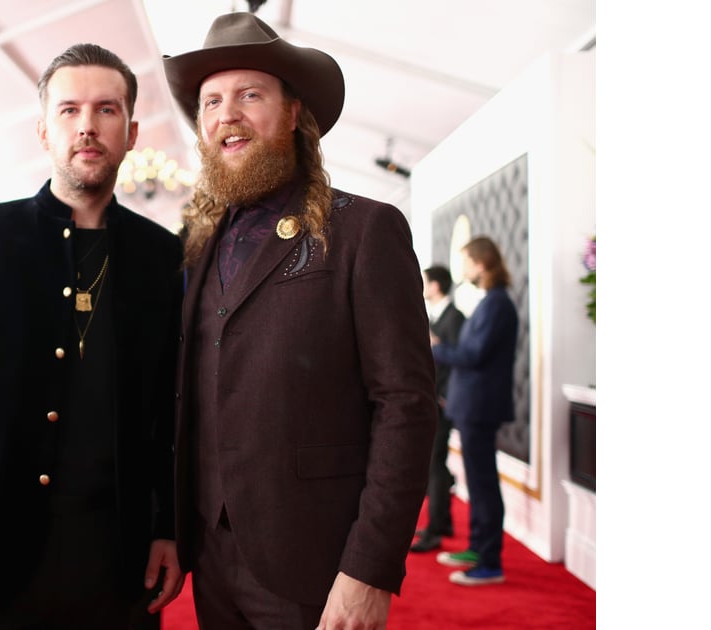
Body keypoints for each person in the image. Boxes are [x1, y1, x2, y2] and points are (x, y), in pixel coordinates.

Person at [162, 12, 438, 629]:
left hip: (317, 562)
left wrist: (369, 569)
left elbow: (406, 404)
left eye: (249, 95)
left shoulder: (365, 229)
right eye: (211, 102)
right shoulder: (195, 246)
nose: (227, 114)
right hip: (210, 555)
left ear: (292, 114)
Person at [0, 43, 184, 629]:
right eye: (69, 110)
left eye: (106, 110)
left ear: (131, 133)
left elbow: (170, 410)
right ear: (43, 130)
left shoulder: (161, 255)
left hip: (118, 558)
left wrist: (168, 528)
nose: (87, 126)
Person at [430, 236, 519, 586]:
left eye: (466, 261)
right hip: (472, 405)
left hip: (480, 406)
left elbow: (472, 355)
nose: (463, 268)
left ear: (481, 263)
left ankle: (489, 561)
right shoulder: (490, 302)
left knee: (483, 485)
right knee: (479, 484)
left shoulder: (497, 303)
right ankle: (478, 548)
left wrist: (436, 347)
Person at [411, 264, 467, 553]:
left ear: (435, 285)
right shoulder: (436, 315)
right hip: (434, 398)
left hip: (443, 401)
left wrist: (444, 395)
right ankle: (442, 522)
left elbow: (462, 360)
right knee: (437, 463)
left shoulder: (454, 317)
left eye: (424, 281)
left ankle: (434, 531)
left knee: (434, 464)